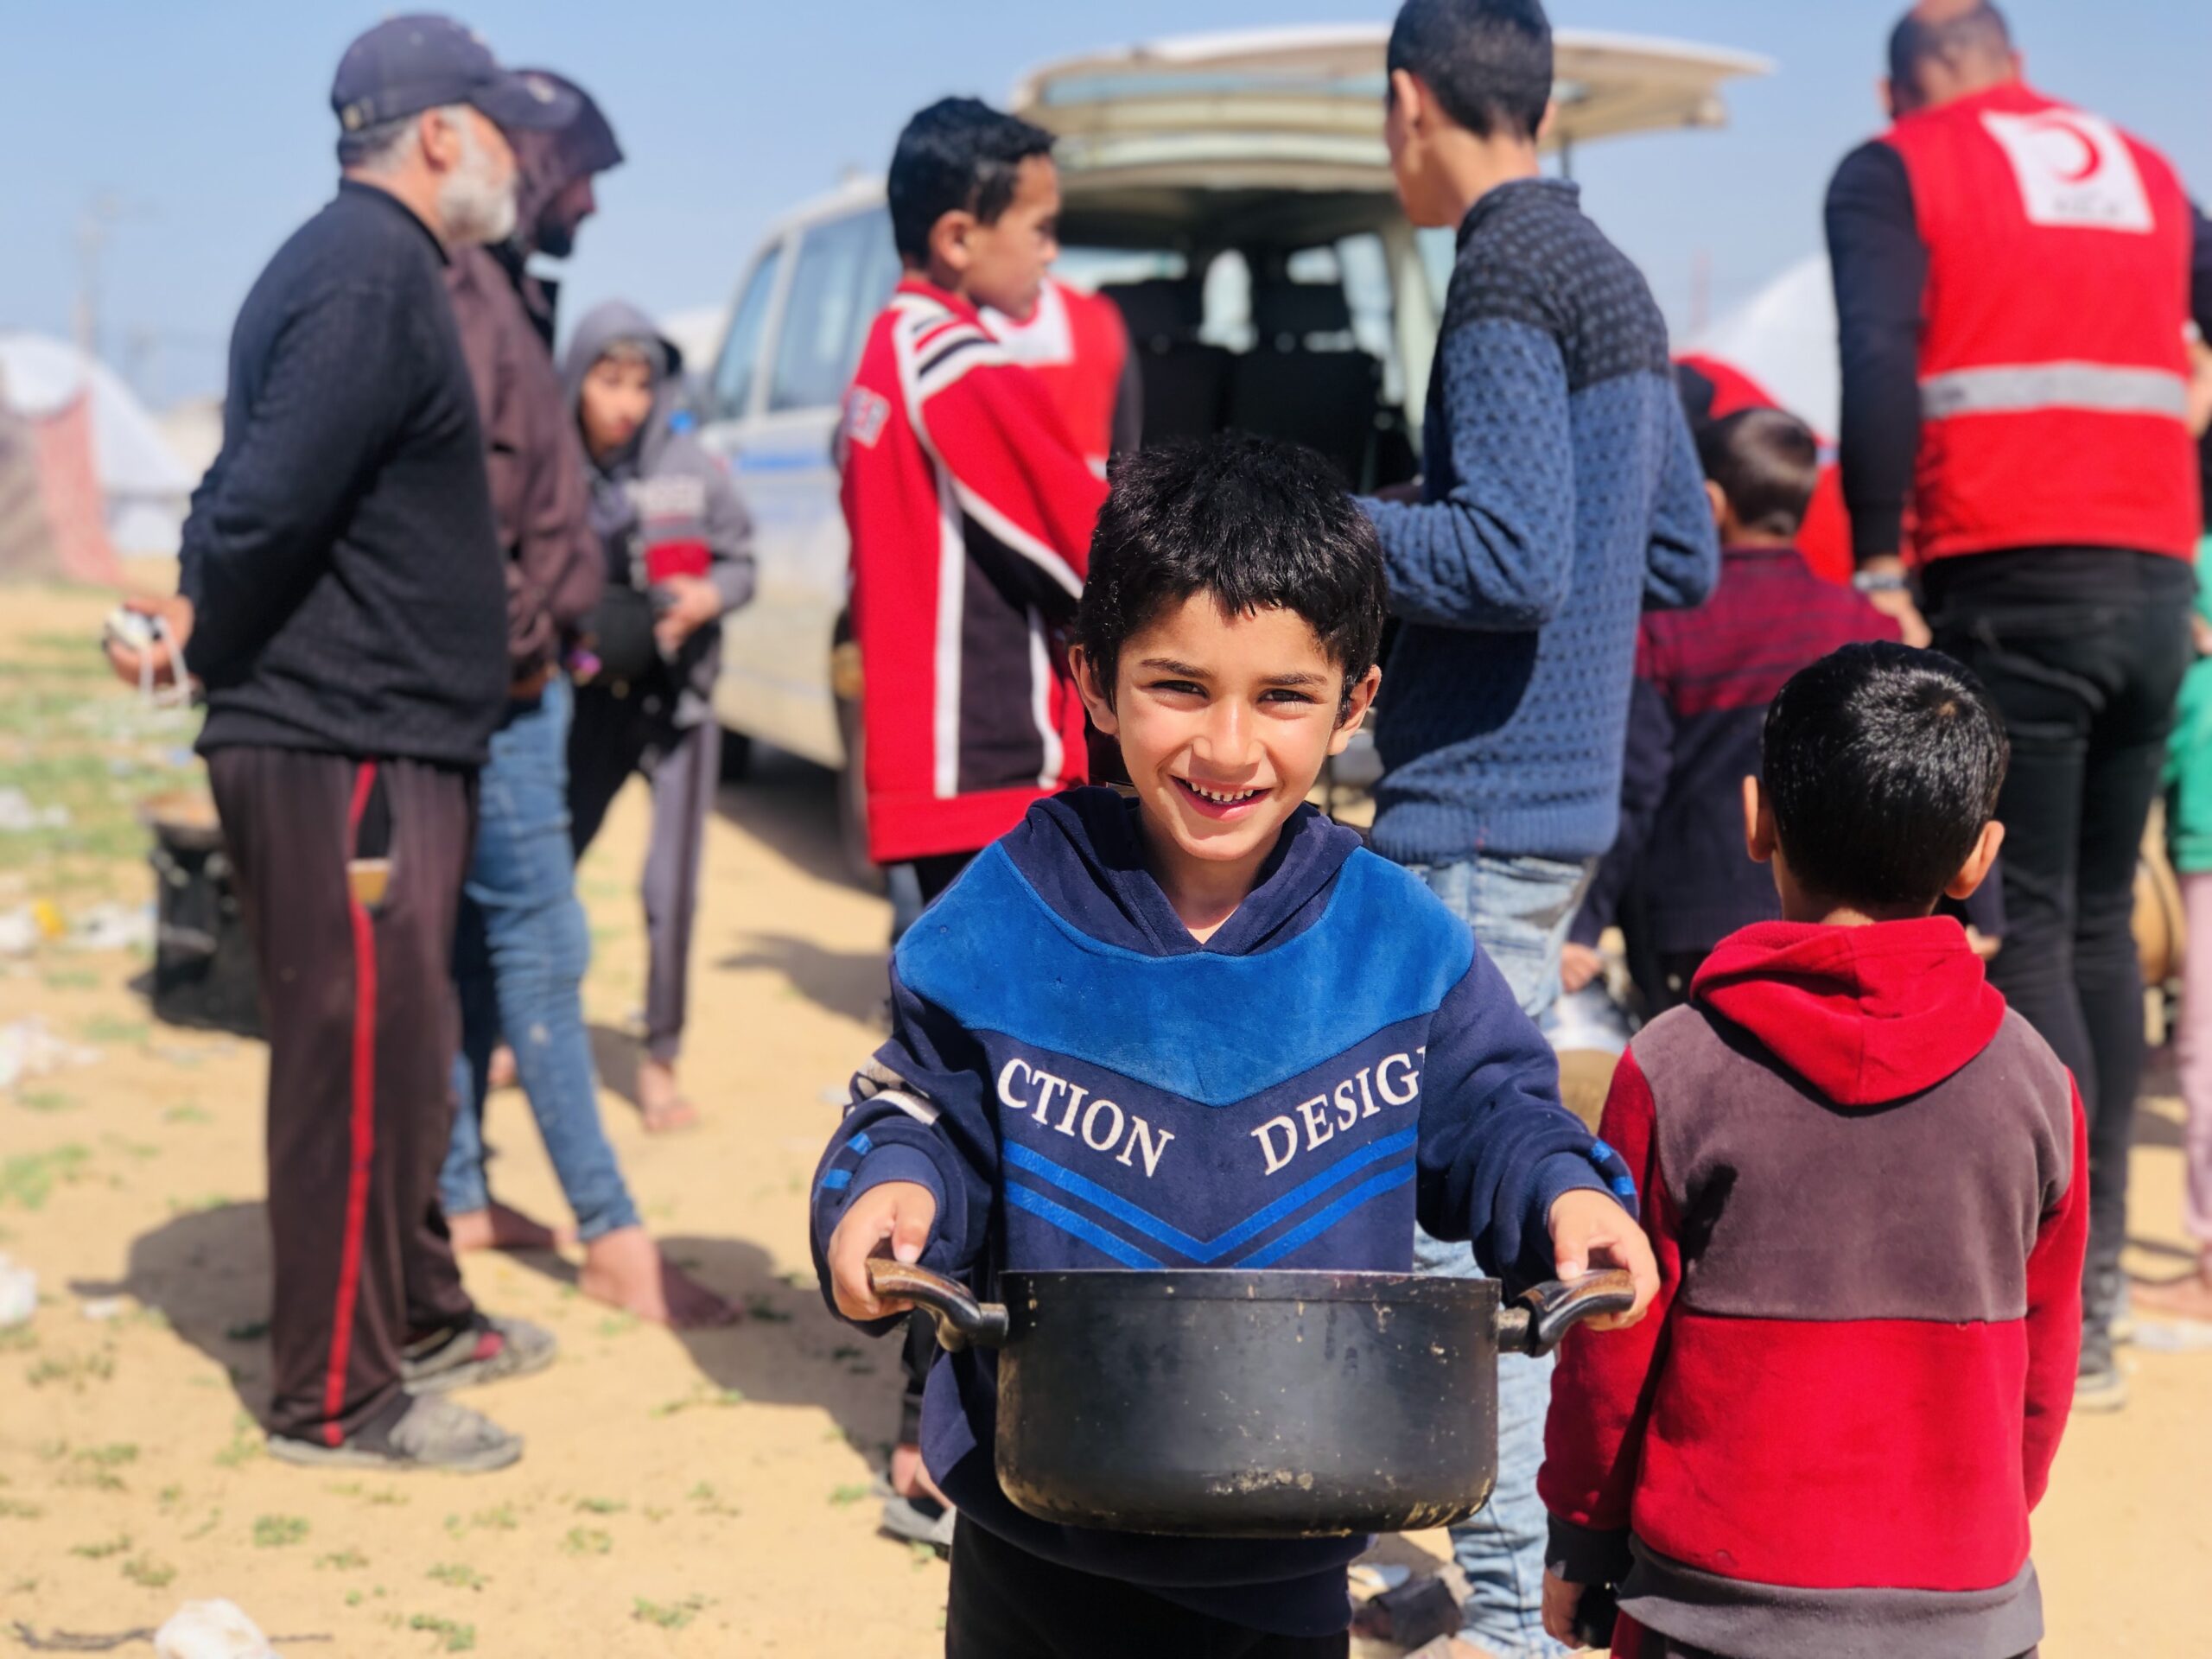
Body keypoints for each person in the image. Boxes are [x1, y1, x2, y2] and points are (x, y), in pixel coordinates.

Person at [810, 433, 1658, 1658]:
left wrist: (1567, 1195)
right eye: (1178, 686)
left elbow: (1498, 1110)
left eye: (1283, 697)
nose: (1225, 747)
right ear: (1093, 682)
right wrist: (889, 1187)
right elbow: (920, 1110)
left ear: (1357, 701)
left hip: (1294, 1531)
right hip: (1034, 1540)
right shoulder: (1001, 918)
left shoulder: (1395, 939)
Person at [101, 15, 578, 1470]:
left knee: (405, 1037)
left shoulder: (377, 268)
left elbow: (245, 484)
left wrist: (200, 593)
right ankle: (334, 1394)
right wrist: (199, 617)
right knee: (353, 1050)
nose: (514, 158)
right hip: (342, 736)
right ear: (440, 134)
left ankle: (412, 1312)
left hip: (384, 735)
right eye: (498, 129)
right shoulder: (369, 271)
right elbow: (260, 504)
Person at [1363, 2, 1719, 1648]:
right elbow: (1677, 566)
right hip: (1557, 794)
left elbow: (1508, 558)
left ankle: (1501, 1616)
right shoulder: (1614, 273)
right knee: (1475, 1195)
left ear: (1409, 104)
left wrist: (1326, 519)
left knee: (1459, 1225)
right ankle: (1459, 1566)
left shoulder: (1506, 272)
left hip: (1477, 799)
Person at [1541, 642, 2086, 1659]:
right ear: (1980, 858)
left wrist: (1580, 1533)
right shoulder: (2037, 1084)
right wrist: (1978, 1529)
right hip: (1962, 1603)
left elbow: (1613, 1344)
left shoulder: (1673, 1067)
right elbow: (2045, 1361)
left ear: (1757, 821)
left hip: (1710, 1607)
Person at [1825, 0, 2212, 1408]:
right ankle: (2095, 1306)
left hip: (2009, 571)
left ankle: (2058, 1318)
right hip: (2153, 584)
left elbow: (1876, 358)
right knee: (2099, 922)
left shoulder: (1901, 164)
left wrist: (1876, 554)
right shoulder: (2148, 168)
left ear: (1905, 81)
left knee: (2028, 920)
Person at [840, 95, 1113, 1538]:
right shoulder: (960, 360)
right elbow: (1092, 538)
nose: (1052, 261)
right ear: (961, 233)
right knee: (1003, 1108)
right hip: (998, 774)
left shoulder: (881, 354)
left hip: (929, 774)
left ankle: (922, 1436)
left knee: (947, 1086)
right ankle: (939, 1449)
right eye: (1042, 228)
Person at [1563, 409, 1900, 1012]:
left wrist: (1585, 922)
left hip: (1689, 924)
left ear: (1708, 503)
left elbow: (1635, 788)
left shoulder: (1665, 626)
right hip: (1843, 919)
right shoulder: (1864, 625)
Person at [564, 302, 758, 1139]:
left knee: (668, 889)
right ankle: (508, 1029)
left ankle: (660, 1054)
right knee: (544, 868)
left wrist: (706, 596)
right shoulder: (548, 468)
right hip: (581, 708)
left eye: (642, 382)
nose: (627, 402)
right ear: (575, 376)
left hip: (677, 706)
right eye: (609, 380)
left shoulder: (694, 468)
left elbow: (742, 559)